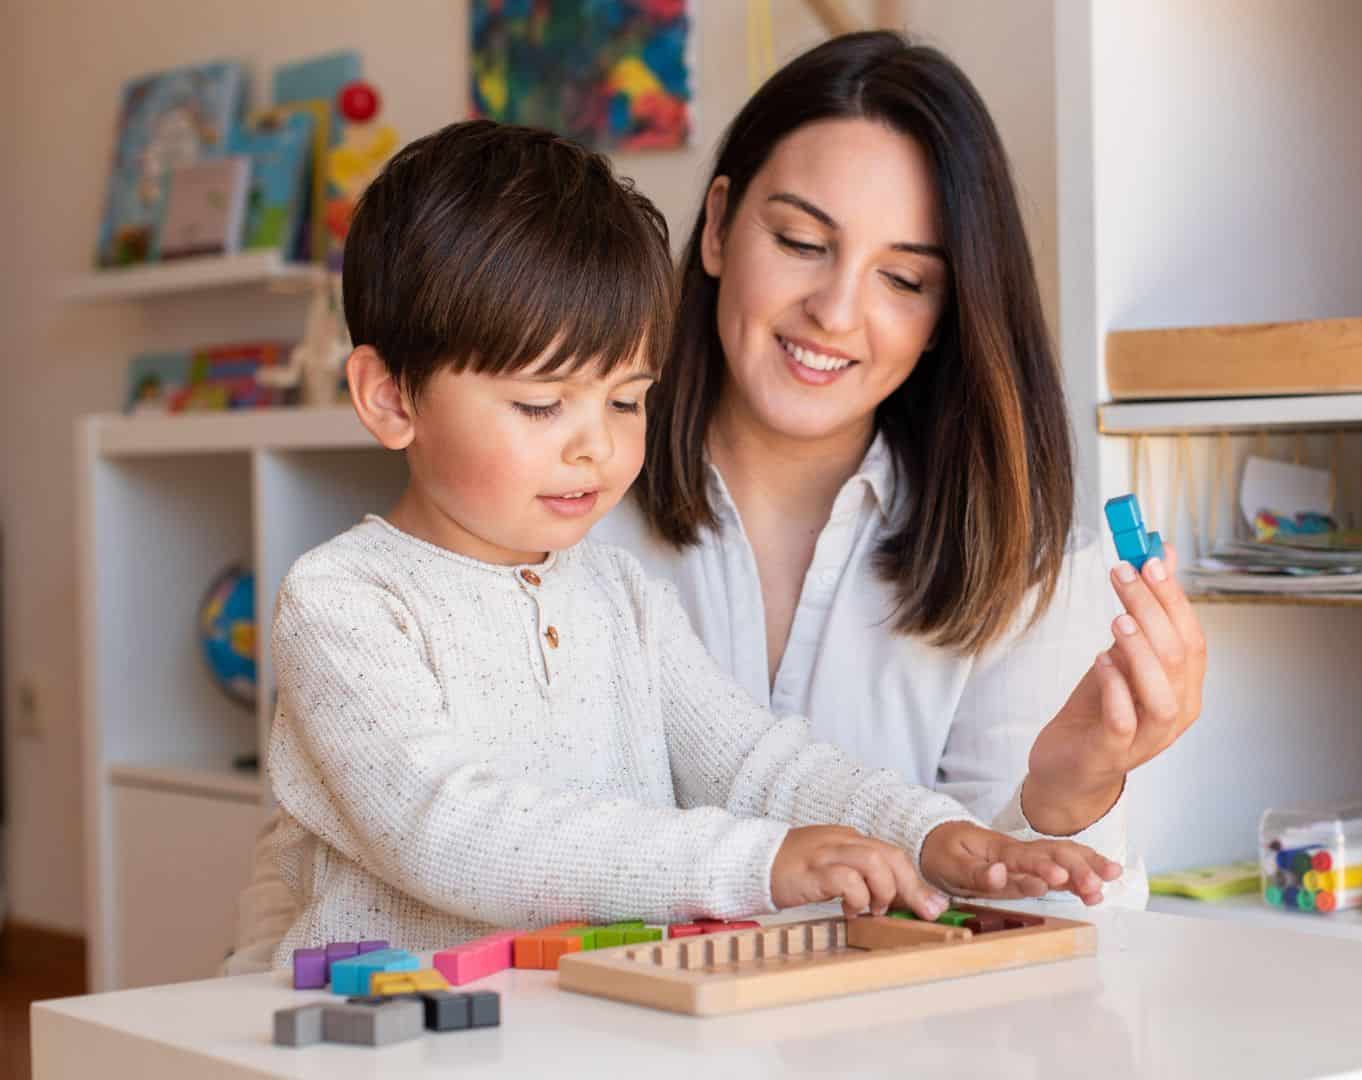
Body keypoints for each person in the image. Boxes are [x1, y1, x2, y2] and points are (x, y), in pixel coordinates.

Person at [252, 119, 1119, 966]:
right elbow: (450, 831)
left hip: (595, 1035)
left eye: (626, 400)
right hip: (385, 1041)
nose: (596, 445)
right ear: (391, 399)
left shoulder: (620, 594)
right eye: (541, 405)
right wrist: (755, 864)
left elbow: (757, 763)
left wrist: (931, 837)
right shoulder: (345, 602)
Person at [598, 31, 1207, 909]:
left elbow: (1045, 976)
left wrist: (1068, 797)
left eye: (904, 280)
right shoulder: (567, 507)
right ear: (721, 225)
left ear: (946, 315)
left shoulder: (1017, 566)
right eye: (803, 241)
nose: (836, 311)